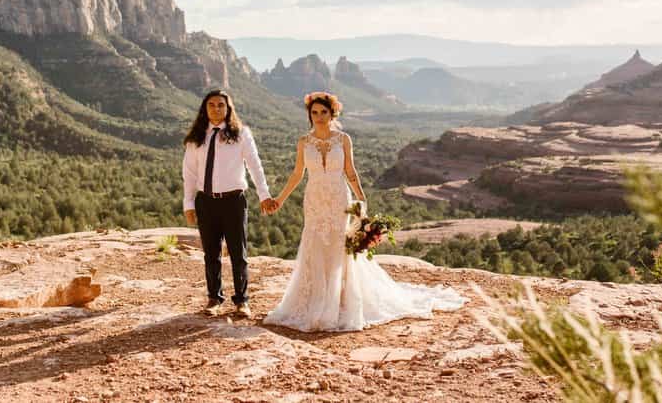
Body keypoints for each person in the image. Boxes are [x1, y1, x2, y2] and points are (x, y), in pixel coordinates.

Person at [263, 91, 465, 332]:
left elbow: (350, 171)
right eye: (314, 113)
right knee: (315, 243)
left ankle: (339, 300)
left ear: (332, 113)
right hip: (315, 199)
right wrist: (280, 199)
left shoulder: (343, 139)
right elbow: (297, 174)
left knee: (339, 245)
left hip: (339, 199)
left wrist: (361, 199)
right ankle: (313, 299)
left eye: (323, 112)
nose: (318, 117)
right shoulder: (304, 142)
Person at [183, 89, 278, 318]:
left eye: (221, 105)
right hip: (206, 202)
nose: (216, 109)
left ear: (228, 109)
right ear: (205, 109)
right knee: (211, 254)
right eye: (212, 105)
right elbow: (189, 172)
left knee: (238, 253)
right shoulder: (197, 137)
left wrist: (264, 194)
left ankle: (242, 301)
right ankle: (214, 299)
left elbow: (254, 165)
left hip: (234, 201)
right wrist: (189, 203)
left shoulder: (241, 134)